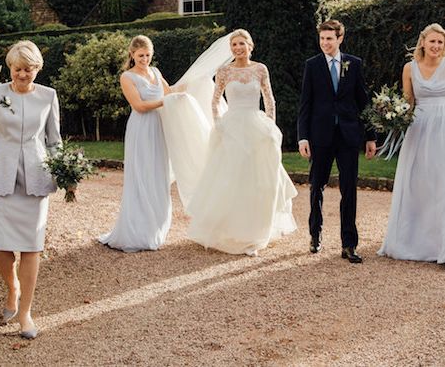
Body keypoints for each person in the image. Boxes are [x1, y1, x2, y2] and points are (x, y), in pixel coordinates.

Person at [0, 40, 60, 340]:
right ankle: (12, 287)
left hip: (35, 177)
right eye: (18, 69)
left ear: (37, 68)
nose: (23, 75)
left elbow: (54, 141)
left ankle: (25, 313)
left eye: (29, 70)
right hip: (1, 177)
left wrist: (66, 172)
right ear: (10, 68)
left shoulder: (48, 96)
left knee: (32, 248)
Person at [183, 29, 297, 255]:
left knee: (258, 180)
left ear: (250, 46)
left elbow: (269, 99)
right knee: (231, 179)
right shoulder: (224, 71)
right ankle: (229, 231)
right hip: (232, 127)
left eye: (241, 44)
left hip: (256, 125)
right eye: (234, 45)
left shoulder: (260, 69)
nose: (238, 48)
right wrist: (219, 124)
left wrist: (271, 125)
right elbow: (215, 100)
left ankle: (254, 234)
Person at [298, 20, 376, 264]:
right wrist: (302, 136)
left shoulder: (354, 64)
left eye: (329, 39)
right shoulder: (312, 65)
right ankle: (315, 236)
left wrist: (371, 136)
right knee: (316, 187)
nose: (325, 43)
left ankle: (349, 244)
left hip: (348, 136)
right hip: (320, 136)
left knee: (349, 189)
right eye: (322, 39)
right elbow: (305, 104)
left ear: (340, 39)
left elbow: (364, 102)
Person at [99, 35, 176, 252]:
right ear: (132, 54)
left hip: (159, 128)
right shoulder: (127, 77)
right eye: (140, 55)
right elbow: (139, 106)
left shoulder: (156, 72)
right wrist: (166, 101)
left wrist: (194, 85)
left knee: (158, 174)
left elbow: (171, 92)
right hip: (142, 128)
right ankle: (137, 230)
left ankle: (155, 227)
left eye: (148, 55)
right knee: (142, 174)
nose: (144, 59)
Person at [379, 23, 445, 263]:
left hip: (443, 129)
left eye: (440, 42)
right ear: (423, 43)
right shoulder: (410, 68)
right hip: (418, 128)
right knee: (418, 183)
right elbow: (409, 103)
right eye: (432, 41)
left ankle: (441, 246)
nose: (436, 46)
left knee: (442, 183)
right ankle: (413, 241)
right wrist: (391, 115)